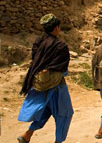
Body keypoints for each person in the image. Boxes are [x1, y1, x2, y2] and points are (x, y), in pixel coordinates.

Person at [17, 14, 73, 143]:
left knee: (45, 111)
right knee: (64, 115)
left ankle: (27, 134)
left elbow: (35, 60)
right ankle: (58, 141)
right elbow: (62, 67)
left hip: (38, 85)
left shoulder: (38, 41)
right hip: (57, 88)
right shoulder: (60, 46)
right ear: (56, 28)